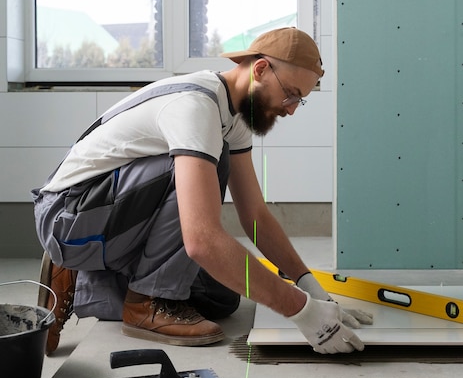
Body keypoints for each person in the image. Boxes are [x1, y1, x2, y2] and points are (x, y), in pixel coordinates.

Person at [31, 27, 372, 356]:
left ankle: (82, 286)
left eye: (301, 100)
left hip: (109, 218)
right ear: (262, 69)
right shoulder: (196, 106)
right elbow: (202, 240)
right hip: (69, 217)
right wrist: (301, 312)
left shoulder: (234, 116)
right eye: (292, 93)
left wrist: (310, 288)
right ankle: (147, 304)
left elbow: (254, 216)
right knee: (210, 163)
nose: (291, 108)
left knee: (222, 297)